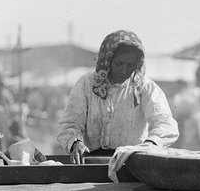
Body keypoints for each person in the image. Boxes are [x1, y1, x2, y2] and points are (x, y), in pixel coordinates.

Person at [57, 30, 179, 164]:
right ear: (107, 60)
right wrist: (76, 143)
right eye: (118, 64)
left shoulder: (144, 87)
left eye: (130, 65)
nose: (124, 71)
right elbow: (69, 123)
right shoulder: (86, 84)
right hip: (90, 162)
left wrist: (151, 143)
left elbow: (166, 123)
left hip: (131, 163)